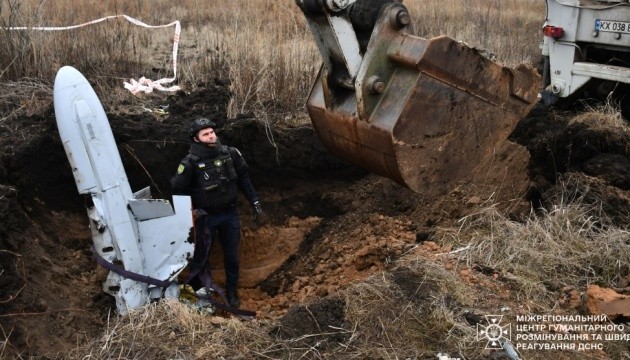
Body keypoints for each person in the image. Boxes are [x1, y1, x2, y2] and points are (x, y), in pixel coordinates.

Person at [171, 117, 263, 308]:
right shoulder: (189, 164)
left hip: (229, 215)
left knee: (232, 255)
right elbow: (179, 192)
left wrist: (255, 201)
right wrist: (189, 215)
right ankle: (199, 292)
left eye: (212, 132)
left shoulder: (230, 154)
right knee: (201, 257)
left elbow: (244, 179)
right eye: (205, 134)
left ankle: (231, 290)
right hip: (206, 218)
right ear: (196, 139)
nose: (211, 136)